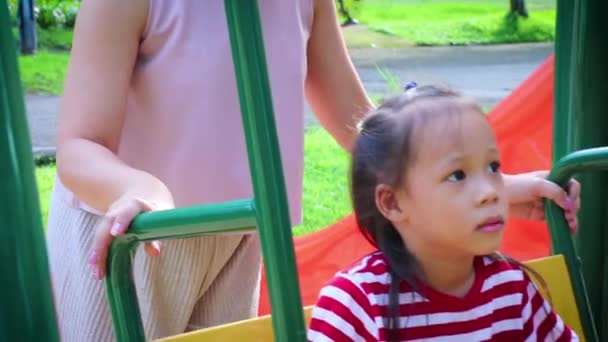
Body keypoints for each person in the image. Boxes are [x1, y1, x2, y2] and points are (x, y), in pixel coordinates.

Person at [46, 0, 579, 341]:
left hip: (243, 230)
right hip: (130, 234)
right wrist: (140, 189)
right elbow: (78, 146)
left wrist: (490, 187)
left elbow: (368, 135)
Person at [307, 85, 579, 341]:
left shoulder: (509, 287)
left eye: (493, 167)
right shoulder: (359, 301)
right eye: (457, 175)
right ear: (392, 203)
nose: (491, 192)